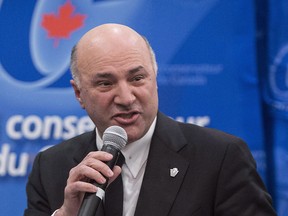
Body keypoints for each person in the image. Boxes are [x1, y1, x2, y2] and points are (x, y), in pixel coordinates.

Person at [24, 23, 277, 216]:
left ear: (154, 79)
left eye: (137, 78)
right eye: (105, 83)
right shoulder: (51, 167)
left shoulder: (220, 157)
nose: (125, 97)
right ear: (79, 93)